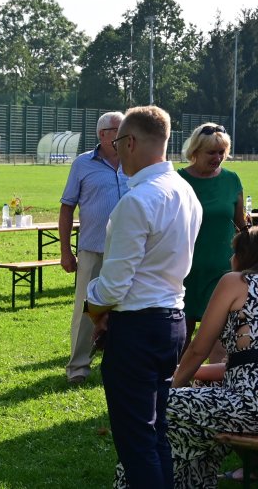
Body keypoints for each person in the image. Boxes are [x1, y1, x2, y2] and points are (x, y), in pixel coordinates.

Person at [86, 105, 202, 488]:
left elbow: (113, 284)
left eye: (118, 144)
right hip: (172, 322)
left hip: (137, 327)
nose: (116, 152)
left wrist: (93, 307)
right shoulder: (186, 192)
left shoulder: (137, 201)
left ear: (131, 142)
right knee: (155, 433)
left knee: (136, 442)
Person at [112, 227, 258, 488]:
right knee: (192, 412)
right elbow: (243, 366)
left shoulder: (236, 282)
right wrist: (183, 372)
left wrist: (172, 387)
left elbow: (198, 349)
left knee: (152, 409)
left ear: (245, 256)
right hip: (248, 402)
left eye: (234, 252)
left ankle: (137, 483)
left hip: (250, 406)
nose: (229, 258)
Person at [59, 111, 129, 385]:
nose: (126, 135)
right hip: (93, 249)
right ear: (103, 134)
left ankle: (120, 361)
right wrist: (66, 251)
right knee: (87, 309)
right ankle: (78, 367)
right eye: (120, 130)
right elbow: (67, 207)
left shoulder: (134, 162)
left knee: (127, 308)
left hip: (129, 251)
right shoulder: (83, 164)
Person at [178, 123, 245, 363]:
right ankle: (177, 381)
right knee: (182, 336)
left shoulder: (231, 180)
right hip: (185, 270)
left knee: (219, 337)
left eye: (221, 152)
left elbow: (241, 225)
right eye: (211, 152)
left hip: (221, 271)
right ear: (195, 151)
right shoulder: (179, 181)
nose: (217, 158)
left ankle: (213, 381)